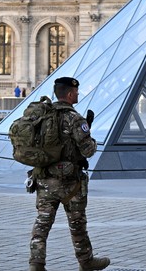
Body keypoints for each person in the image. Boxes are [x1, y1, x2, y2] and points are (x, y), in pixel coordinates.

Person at [29, 77, 110, 271]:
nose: (78, 94)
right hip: (70, 182)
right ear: (70, 94)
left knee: (42, 223)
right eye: (77, 92)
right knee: (77, 223)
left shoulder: (43, 115)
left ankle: (36, 264)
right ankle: (86, 261)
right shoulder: (75, 118)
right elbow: (88, 150)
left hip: (44, 179)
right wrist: (91, 139)